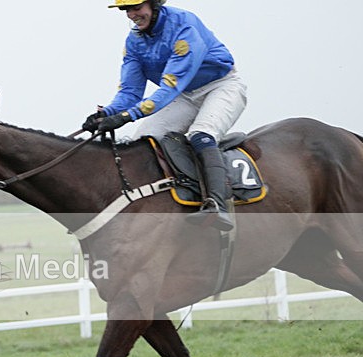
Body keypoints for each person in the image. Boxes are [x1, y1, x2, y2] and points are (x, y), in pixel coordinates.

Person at [82, 0, 247, 231]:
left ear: (155, 4)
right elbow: (130, 91)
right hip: (184, 94)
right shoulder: (134, 42)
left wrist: (126, 116)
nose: (132, 15)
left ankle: (217, 205)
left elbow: (169, 88)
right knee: (143, 140)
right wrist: (107, 113)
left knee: (200, 134)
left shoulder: (184, 25)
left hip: (221, 86)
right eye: (127, 10)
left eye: (136, 7)